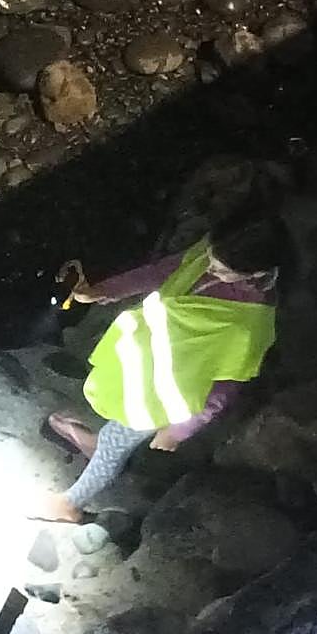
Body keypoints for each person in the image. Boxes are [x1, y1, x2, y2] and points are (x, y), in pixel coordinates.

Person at [32, 210, 288, 523]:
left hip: (167, 391)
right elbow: (162, 271)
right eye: (210, 258)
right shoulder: (217, 250)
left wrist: (178, 431)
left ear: (254, 273)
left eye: (222, 271)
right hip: (145, 358)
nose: (209, 268)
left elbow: (225, 387)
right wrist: (103, 290)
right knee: (112, 404)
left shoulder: (248, 324)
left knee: (117, 439)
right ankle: (99, 445)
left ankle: (70, 504)